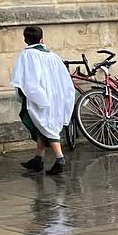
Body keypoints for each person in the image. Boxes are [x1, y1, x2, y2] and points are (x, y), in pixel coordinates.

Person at [12, 26, 75, 176]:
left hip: (38, 97)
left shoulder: (26, 55)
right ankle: (38, 159)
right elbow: (64, 79)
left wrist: (27, 96)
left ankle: (60, 159)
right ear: (42, 39)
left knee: (46, 125)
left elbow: (24, 80)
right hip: (55, 96)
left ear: (25, 39)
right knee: (43, 125)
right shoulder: (53, 56)